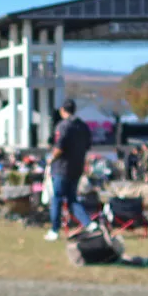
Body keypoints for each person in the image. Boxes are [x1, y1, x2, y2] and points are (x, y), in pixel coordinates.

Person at [45, 99, 92, 241]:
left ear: (62, 110)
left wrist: (51, 158)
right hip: (77, 167)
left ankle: (54, 229)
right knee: (72, 199)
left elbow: (59, 147)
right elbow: (88, 145)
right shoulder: (83, 126)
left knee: (57, 198)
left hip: (62, 168)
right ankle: (89, 224)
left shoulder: (63, 126)